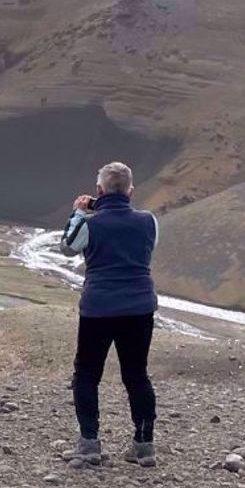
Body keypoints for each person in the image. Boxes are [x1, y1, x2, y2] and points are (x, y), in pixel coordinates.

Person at [60, 160, 159, 468]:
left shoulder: (90, 223)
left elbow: (67, 247)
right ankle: (144, 446)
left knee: (87, 374)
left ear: (99, 190)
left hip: (98, 307)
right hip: (139, 306)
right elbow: (147, 248)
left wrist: (79, 211)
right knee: (137, 374)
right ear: (130, 190)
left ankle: (89, 443)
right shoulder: (149, 221)